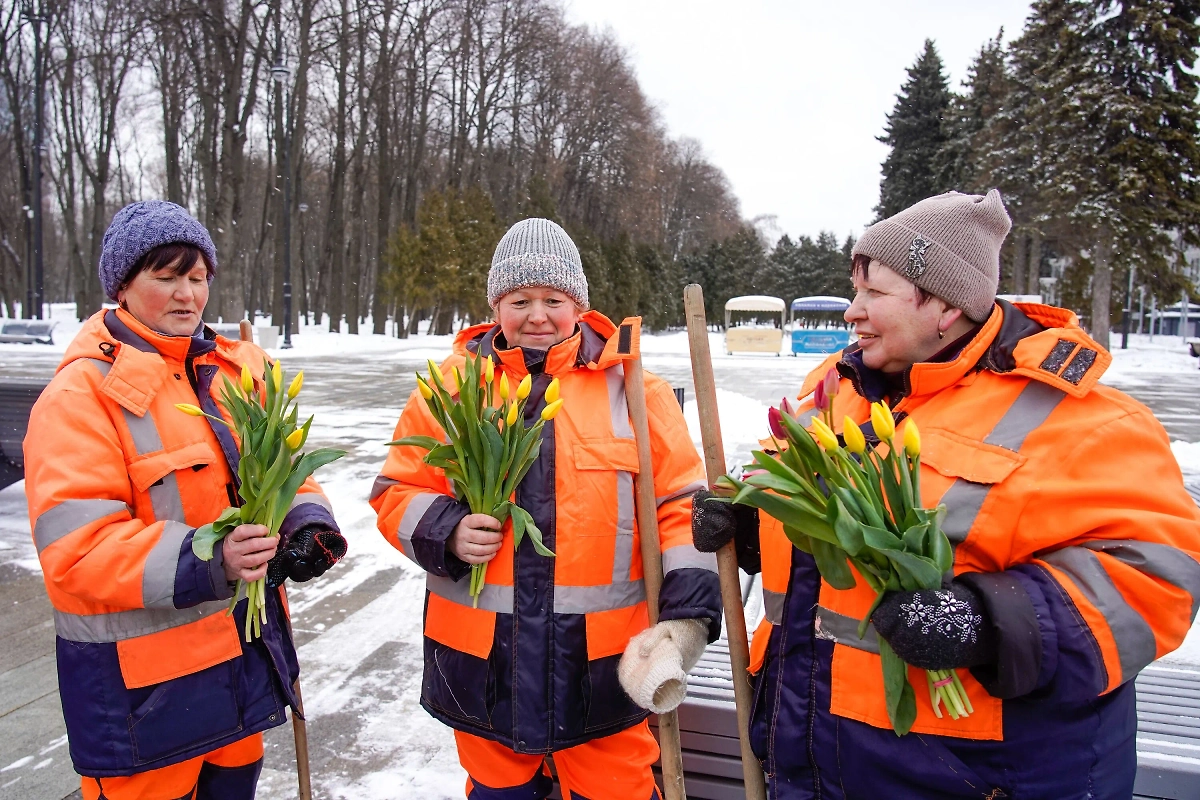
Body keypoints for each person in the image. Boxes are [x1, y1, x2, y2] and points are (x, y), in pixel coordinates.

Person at [693, 190, 1200, 799]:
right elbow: (821, 544)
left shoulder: (1078, 417)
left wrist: (991, 621)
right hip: (815, 757)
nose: (852, 312)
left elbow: (1158, 580)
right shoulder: (836, 394)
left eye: (874, 293)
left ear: (944, 306)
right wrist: (756, 524)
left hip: (972, 774)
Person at [371, 218, 721, 800]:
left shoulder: (633, 389)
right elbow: (394, 490)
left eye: (553, 299)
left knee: (617, 787)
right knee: (497, 788)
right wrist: (448, 530)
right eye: (519, 299)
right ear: (495, 305)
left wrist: (685, 618)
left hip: (603, 662)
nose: (537, 315)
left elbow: (681, 505)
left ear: (579, 305)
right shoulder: (452, 385)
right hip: (484, 660)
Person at [23, 200, 346, 800]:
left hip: (240, 667)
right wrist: (212, 558)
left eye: (197, 278)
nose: (187, 295)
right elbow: (77, 549)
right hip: (144, 699)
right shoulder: (81, 396)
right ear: (123, 286)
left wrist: (306, 524)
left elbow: (287, 470)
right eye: (166, 277)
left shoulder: (236, 370)